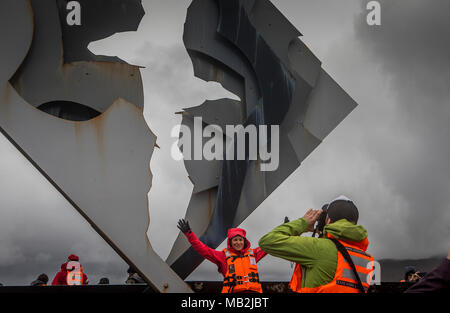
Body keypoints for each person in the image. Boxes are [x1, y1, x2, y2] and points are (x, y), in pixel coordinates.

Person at [259, 195, 374, 293]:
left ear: (328, 220)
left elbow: (267, 241)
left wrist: (303, 223)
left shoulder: (318, 249)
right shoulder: (367, 259)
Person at [177, 219, 267, 293]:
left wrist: (281, 229)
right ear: (230, 242)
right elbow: (203, 249)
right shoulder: (222, 256)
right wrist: (189, 233)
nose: (238, 242)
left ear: (244, 241)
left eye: (240, 240)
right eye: (235, 240)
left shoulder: (253, 253)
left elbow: (270, 245)